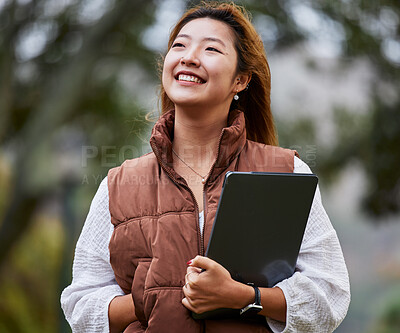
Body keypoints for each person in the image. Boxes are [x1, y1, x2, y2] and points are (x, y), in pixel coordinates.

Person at [61, 2, 350, 332]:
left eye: (211, 48)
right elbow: (81, 306)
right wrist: (153, 295)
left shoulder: (285, 173)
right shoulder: (119, 185)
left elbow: (330, 295)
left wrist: (241, 296)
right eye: (179, 45)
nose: (189, 57)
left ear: (240, 80)